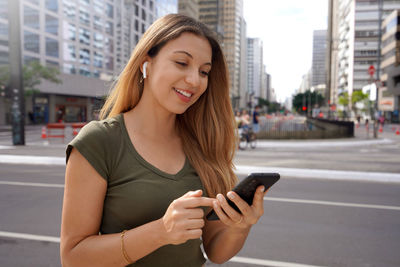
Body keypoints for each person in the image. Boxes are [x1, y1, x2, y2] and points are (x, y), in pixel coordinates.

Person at [60, 14, 268, 267]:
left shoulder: (203, 145)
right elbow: (73, 257)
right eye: (181, 63)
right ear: (146, 63)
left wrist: (240, 226)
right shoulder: (100, 141)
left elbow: (215, 251)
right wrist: (161, 231)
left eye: (204, 71)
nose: (194, 80)